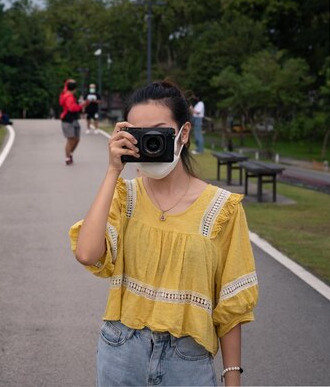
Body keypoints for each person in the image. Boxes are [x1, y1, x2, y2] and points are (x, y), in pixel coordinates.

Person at [70, 80, 258, 386]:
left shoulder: (223, 209)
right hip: (120, 352)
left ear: (183, 133)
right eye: (138, 134)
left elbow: (232, 306)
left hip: (188, 361)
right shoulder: (124, 197)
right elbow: (87, 254)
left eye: (159, 131)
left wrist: (232, 377)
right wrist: (112, 171)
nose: (150, 141)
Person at [60, 79, 89, 165]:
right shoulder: (68, 96)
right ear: (75, 89)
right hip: (68, 120)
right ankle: (67, 157)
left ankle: (70, 154)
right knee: (71, 139)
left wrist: (68, 81)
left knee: (76, 139)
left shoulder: (65, 94)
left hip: (73, 119)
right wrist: (82, 105)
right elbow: (71, 108)